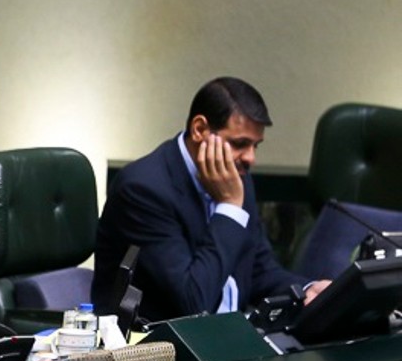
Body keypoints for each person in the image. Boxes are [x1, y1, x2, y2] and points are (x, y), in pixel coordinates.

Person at [93, 77, 328, 321]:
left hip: (232, 333)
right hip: (159, 339)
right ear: (199, 130)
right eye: (239, 143)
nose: (250, 158)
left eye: (255, 145)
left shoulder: (237, 178)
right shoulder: (144, 189)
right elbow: (193, 302)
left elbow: (258, 270)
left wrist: (307, 290)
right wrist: (229, 208)